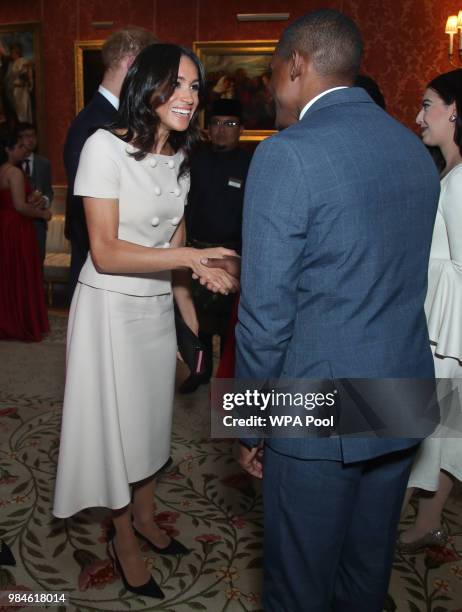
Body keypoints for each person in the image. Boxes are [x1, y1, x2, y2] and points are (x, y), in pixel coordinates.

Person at [234, 9, 440, 612]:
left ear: (296, 65)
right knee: (365, 578)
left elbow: (265, 316)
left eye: (274, 73)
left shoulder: (285, 155)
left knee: (297, 588)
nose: (272, 88)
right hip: (403, 387)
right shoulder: (411, 147)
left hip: (317, 400)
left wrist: (249, 420)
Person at [53, 43, 238, 599]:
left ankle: (146, 515)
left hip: (156, 307)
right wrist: (192, 259)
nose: (188, 96)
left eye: (195, 87)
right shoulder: (102, 148)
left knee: (152, 422)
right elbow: (107, 251)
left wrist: (189, 326)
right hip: (108, 308)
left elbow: (172, 239)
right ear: (148, 86)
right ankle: (121, 537)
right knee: (115, 429)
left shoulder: (181, 157)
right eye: (177, 84)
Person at [397, 69, 462, 553]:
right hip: (443, 319)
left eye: (427, 104)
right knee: (443, 427)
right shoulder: (450, 171)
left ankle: (380, 528)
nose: (419, 115)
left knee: (418, 426)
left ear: (455, 110)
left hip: (445, 325)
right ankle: (430, 522)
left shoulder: (459, 181)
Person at [64, 27, 157, 298]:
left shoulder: (115, 118)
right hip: (103, 276)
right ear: (132, 64)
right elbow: (87, 216)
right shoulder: (95, 125)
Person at [181, 98, 252, 393]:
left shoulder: (252, 162)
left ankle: (226, 379)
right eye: (216, 123)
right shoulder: (194, 159)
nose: (222, 130)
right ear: (208, 128)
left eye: (230, 124)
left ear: (241, 130)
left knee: (229, 325)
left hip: (234, 254)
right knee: (198, 322)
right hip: (197, 251)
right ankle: (199, 371)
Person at [0, 131, 51, 342]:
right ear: (8, 150)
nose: (25, 150)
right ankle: (22, 322)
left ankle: (8, 319)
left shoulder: (2, 170)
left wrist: (33, 200)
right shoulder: (15, 172)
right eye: (20, 146)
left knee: (8, 275)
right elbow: (20, 207)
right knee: (22, 273)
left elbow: (13, 202)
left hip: (4, 226)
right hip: (18, 229)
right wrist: (43, 214)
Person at [18, 121, 53, 263]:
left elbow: (49, 191)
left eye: (33, 136)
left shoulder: (44, 163)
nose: (30, 140)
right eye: (26, 136)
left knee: (38, 262)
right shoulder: (12, 164)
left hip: (38, 224)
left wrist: (44, 200)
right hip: (18, 223)